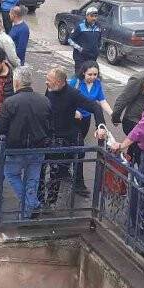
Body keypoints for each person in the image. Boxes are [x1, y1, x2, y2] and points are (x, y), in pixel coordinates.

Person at [0, 65, 51, 220]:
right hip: (38, 148)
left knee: (11, 174)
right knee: (32, 180)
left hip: (16, 149)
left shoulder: (11, 102)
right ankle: (28, 212)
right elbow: (50, 125)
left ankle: (31, 204)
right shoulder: (44, 100)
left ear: (16, 83)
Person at [44, 67, 103, 203]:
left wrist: (100, 126)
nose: (46, 83)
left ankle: (52, 200)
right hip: (51, 134)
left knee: (58, 169)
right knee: (49, 168)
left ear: (60, 82)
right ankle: (44, 198)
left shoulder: (73, 94)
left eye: (49, 81)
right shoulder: (50, 89)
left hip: (67, 137)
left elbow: (95, 107)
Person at [68, 7, 102, 78]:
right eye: (92, 16)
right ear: (87, 16)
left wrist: (98, 49)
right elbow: (70, 40)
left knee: (91, 77)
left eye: (95, 16)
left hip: (92, 57)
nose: (94, 18)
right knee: (80, 76)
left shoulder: (98, 27)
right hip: (80, 57)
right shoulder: (80, 26)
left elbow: (99, 40)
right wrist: (80, 49)